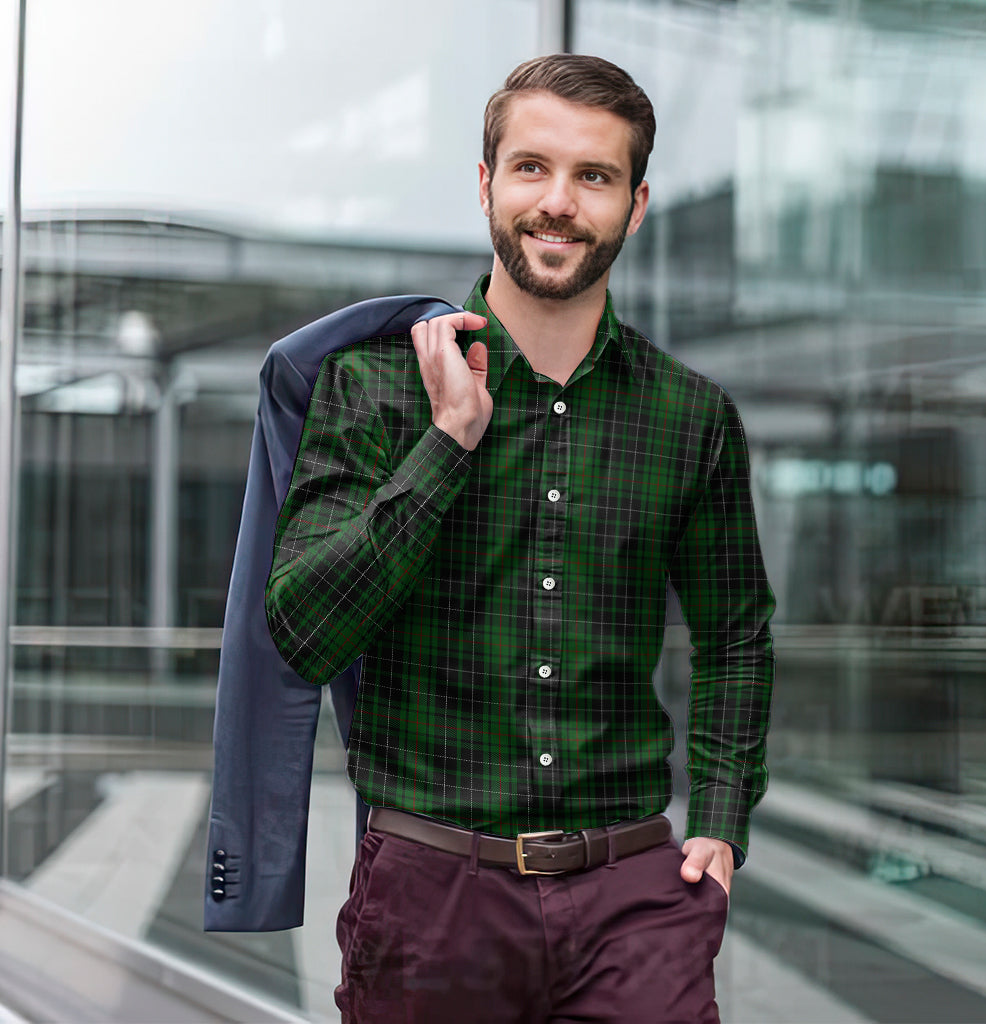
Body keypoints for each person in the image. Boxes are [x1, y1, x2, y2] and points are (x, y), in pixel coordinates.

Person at [265, 53, 775, 1024]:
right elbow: (302, 631)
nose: (559, 202)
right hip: (432, 896)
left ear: (636, 203)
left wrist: (718, 818)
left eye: (595, 176)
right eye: (533, 167)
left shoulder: (690, 416)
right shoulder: (373, 388)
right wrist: (448, 441)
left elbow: (736, 631)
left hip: (634, 897)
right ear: (487, 182)